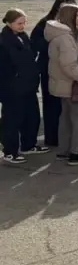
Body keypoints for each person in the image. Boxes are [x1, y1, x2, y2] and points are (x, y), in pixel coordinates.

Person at [46, 3, 78, 165]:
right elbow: (69, 65)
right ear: (70, 17)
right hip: (73, 85)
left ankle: (65, 150)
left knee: (67, 118)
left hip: (65, 85)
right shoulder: (66, 38)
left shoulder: (64, 35)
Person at [32, 0, 76, 150]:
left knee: (68, 105)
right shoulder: (46, 23)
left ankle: (66, 136)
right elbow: (36, 44)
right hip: (49, 67)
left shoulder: (75, 23)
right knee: (51, 103)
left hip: (68, 68)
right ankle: (52, 136)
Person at [1, 9, 43, 162]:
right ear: (9, 23)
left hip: (28, 85)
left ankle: (29, 144)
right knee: (12, 120)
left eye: (24, 22)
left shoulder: (23, 37)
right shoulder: (3, 42)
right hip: (13, 88)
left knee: (31, 116)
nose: (22, 26)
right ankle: (10, 151)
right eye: (19, 23)